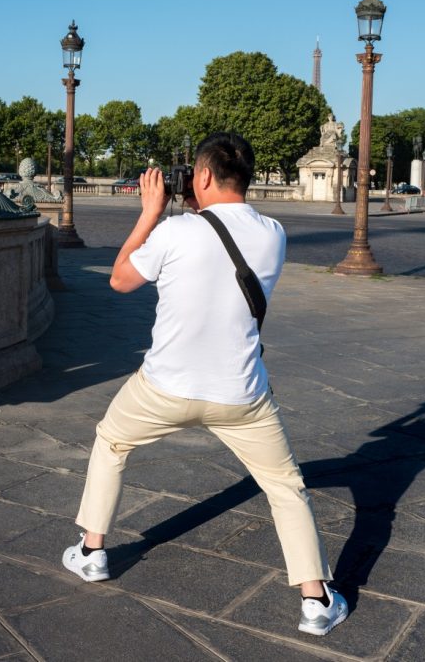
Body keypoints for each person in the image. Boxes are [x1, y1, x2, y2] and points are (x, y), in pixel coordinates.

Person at [61, 132, 348, 637]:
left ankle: (92, 552)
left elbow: (121, 280)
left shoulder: (174, 231)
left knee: (111, 442)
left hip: (163, 387)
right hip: (241, 396)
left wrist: (150, 211)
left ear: (204, 176)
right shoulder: (274, 234)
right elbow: (221, 243)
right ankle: (316, 600)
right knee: (285, 487)